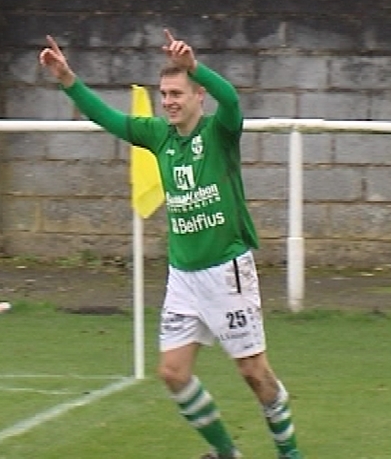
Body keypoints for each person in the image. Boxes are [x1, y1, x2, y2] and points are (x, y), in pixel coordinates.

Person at [39, 31, 302, 459]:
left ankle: (290, 453)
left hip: (226, 272)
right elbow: (107, 118)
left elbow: (232, 100)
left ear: (199, 96)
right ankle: (227, 454)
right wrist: (68, 78)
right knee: (173, 373)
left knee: (253, 373)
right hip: (183, 276)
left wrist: (196, 65)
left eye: (177, 93)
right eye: (164, 94)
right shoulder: (159, 136)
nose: (169, 101)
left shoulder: (219, 132)